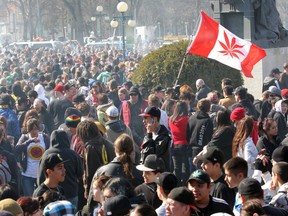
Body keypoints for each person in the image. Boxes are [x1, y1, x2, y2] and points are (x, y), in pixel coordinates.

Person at [37, 130, 83, 208]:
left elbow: (40, 176)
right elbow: (80, 173)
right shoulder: (73, 154)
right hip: (71, 194)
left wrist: (41, 189)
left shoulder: (47, 154)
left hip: (50, 196)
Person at [76, 120, 115, 198]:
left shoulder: (90, 148)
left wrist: (88, 193)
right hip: (109, 184)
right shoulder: (105, 142)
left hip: (97, 188)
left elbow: (90, 173)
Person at [14, 118, 50, 196]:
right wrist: (30, 141)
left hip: (42, 174)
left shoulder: (44, 137)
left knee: (42, 198)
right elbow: (16, 149)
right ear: (27, 130)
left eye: (36, 129)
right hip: (28, 174)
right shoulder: (25, 137)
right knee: (29, 198)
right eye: (31, 129)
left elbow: (49, 151)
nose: (34, 132)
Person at [139, 106, 171, 171]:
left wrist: (149, 135)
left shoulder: (164, 136)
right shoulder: (150, 134)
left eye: (146, 118)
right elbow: (143, 157)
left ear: (154, 119)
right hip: (149, 173)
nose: (143, 121)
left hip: (160, 174)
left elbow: (150, 155)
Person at [186, 99, 213, 171]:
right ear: (209, 108)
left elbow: (187, 134)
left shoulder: (191, 118)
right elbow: (209, 138)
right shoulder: (208, 121)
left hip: (191, 150)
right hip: (202, 151)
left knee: (193, 175)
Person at [168, 101, 189, 184]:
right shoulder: (186, 119)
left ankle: (176, 183)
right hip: (185, 144)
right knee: (185, 167)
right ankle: (184, 183)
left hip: (175, 144)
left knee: (176, 167)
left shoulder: (171, 119)